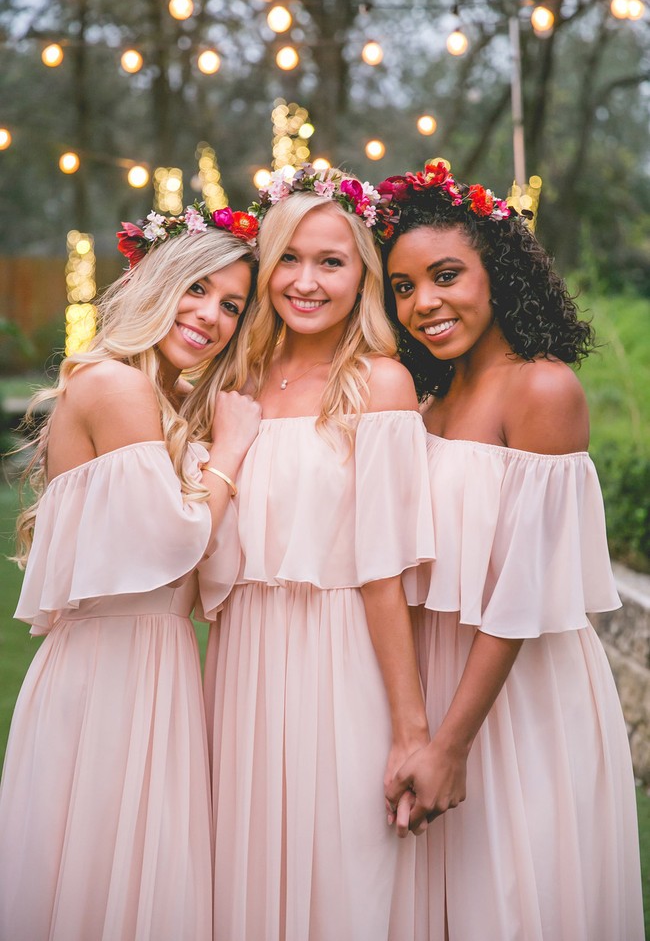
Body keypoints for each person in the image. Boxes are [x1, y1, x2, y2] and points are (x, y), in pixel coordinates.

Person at [379, 162, 644, 941]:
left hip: (516, 700)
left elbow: (524, 594)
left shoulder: (543, 391)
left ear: (498, 272)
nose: (423, 302)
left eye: (446, 275)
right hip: (437, 688)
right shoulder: (427, 399)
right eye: (401, 287)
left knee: (514, 902)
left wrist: (452, 745)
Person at [0, 201, 262, 941]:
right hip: (114, 674)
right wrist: (234, 450)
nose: (212, 315)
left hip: (154, 664)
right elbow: (175, 535)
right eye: (197, 289)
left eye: (232, 305)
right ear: (159, 284)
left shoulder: (161, 398)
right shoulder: (117, 387)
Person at [203, 165, 435, 941]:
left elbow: (385, 571)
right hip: (241, 663)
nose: (306, 281)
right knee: (243, 874)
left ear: (361, 274)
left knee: (344, 878)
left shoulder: (381, 384)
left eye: (331, 261)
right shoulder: (235, 380)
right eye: (290, 260)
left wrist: (410, 728)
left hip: (343, 662)